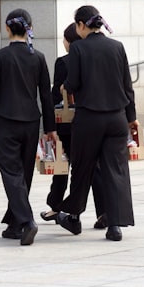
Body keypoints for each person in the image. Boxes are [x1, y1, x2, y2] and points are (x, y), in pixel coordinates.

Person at [0, 8, 58, 246]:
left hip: (8, 121)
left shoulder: (0, 57)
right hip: (31, 122)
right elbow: (46, 96)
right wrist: (50, 128)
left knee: (10, 171)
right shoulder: (38, 57)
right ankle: (15, 224)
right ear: (30, 28)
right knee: (24, 173)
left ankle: (27, 221)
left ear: (7, 29)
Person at [55, 5, 138, 242]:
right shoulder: (117, 47)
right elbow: (127, 86)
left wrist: (65, 88)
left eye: (77, 27)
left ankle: (73, 217)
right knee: (116, 171)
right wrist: (131, 118)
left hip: (89, 118)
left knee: (83, 168)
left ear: (82, 25)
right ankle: (115, 225)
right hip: (116, 119)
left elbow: (74, 83)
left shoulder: (79, 48)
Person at [40, 22, 107, 229]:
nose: (63, 42)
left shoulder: (64, 62)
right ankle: (103, 211)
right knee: (93, 168)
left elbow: (56, 96)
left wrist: (49, 125)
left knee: (63, 165)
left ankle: (57, 207)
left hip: (68, 123)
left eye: (65, 39)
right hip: (94, 121)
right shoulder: (97, 59)